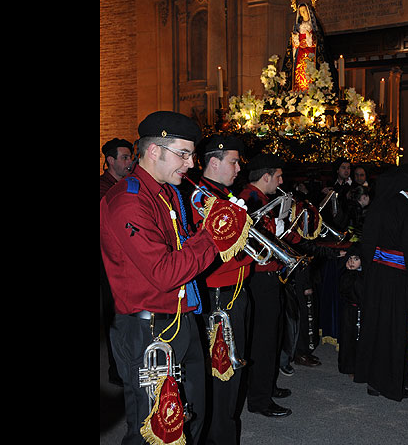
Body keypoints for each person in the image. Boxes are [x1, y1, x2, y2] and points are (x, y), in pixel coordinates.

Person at [100, 111, 250, 445]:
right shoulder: (128, 200)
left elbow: (184, 248)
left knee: (191, 418)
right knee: (154, 427)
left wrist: (211, 231)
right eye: (183, 154)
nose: (192, 163)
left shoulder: (165, 192)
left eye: (191, 154)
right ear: (154, 152)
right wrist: (216, 233)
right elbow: (165, 272)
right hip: (146, 330)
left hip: (181, 319)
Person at [189, 135, 254, 445]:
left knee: (234, 370)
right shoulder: (200, 198)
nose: (239, 167)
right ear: (213, 163)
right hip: (219, 297)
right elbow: (205, 255)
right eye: (233, 161)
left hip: (237, 291)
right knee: (220, 375)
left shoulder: (226, 195)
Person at [353, 163, 408, 402]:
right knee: (395, 331)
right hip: (398, 279)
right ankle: (391, 384)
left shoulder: (379, 206)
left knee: (376, 327)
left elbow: (368, 243)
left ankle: (373, 381)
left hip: (377, 276)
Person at [238, 153, 294, 418]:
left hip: (269, 276)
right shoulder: (250, 200)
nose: (281, 181)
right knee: (263, 340)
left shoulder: (262, 199)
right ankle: (259, 398)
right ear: (266, 176)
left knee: (273, 334)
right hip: (259, 277)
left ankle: (267, 385)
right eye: (278, 176)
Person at [100, 137, 133, 386]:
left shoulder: (126, 184)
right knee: (115, 314)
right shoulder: (104, 188)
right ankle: (117, 369)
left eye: (130, 157)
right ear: (110, 161)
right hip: (108, 261)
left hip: (125, 261)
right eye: (124, 157)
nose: (129, 162)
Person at [280, 0, 338, 94]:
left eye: (304, 11)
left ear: (308, 11)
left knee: (310, 75)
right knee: (299, 74)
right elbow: (293, 46)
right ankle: (299, 93)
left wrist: (309, 36)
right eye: (301, 12)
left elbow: (319, 43)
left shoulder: (314, 26)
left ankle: (311, 92)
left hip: (311, 55)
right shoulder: (297, 27)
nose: (303, 13)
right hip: (299, 55)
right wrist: (295, 39)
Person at [337, 246, 364, 376]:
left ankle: (361, 366)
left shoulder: (365, 276)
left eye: (356, 259)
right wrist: (350, 274)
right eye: (350, 258)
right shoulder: (346, 275)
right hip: (349, 311)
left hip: (362, 312)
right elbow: (343, 291)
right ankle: (349, 367)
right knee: (348, 338)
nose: (352, 262)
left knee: (361, 340)